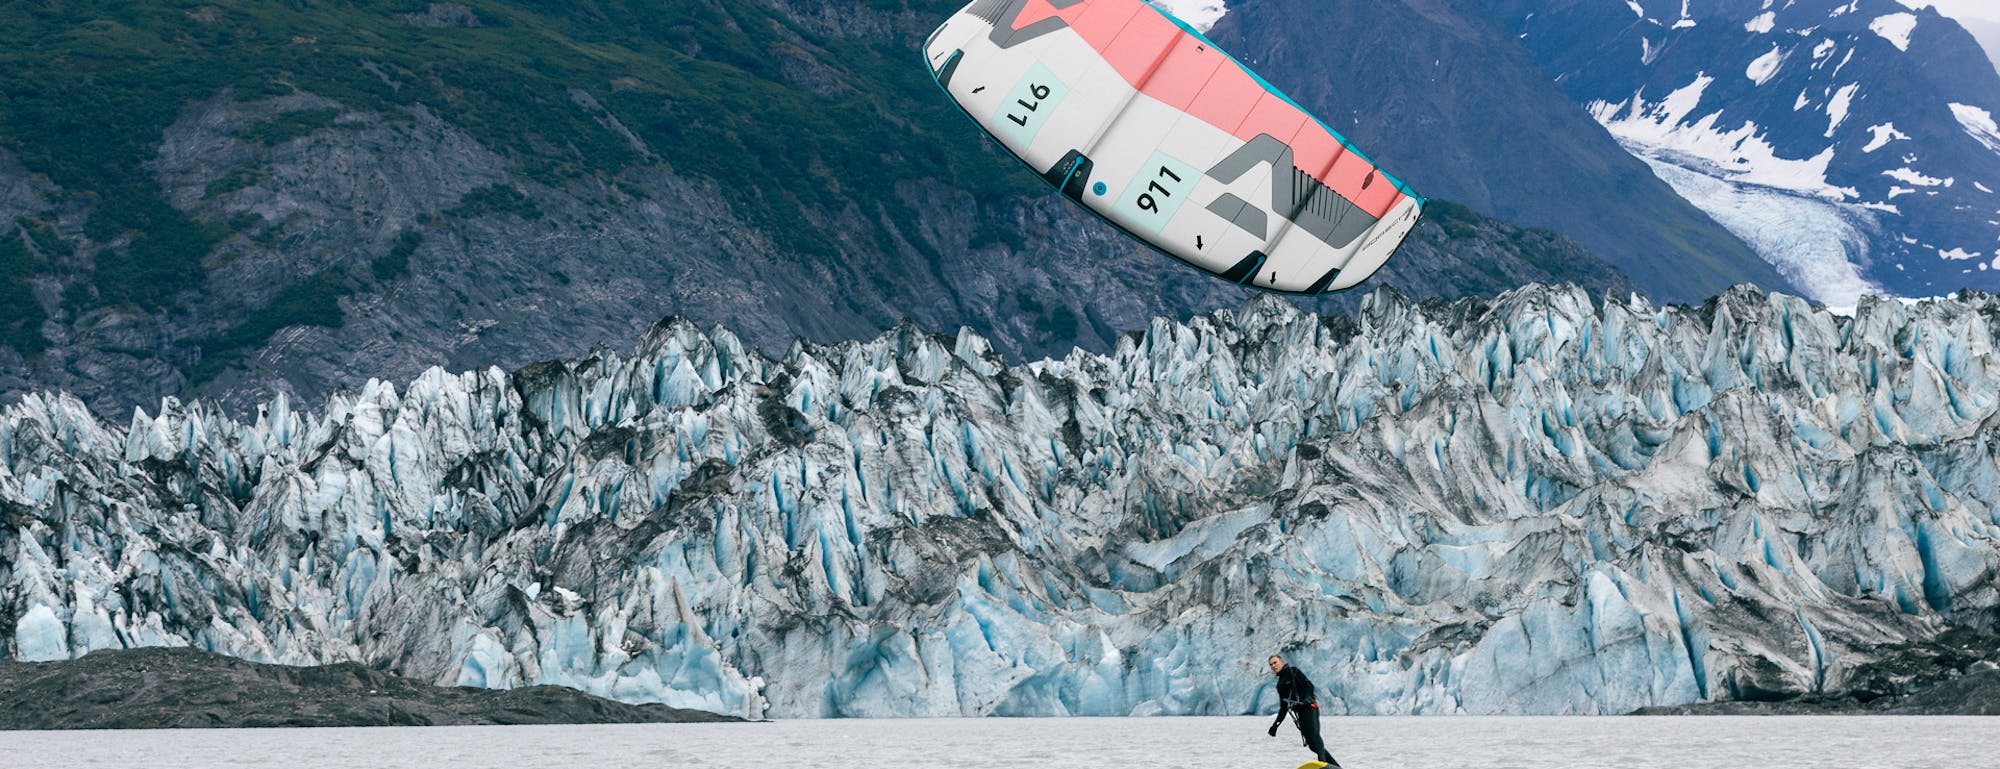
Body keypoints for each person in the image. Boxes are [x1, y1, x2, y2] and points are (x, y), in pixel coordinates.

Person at [1266, 654, 1339, 766]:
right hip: (1300, 713)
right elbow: (1284, 707)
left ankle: (1322, 762)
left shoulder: (1293, 672)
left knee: (1314, 735)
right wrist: (1275, 725)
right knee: (1312, 745)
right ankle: (1334, 766)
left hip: (1310, 707)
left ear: (1281, 661)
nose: (1273, 666)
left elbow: (1309, 686)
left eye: (1275, 662)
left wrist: (1307, 698)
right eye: (1271, 664)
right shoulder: (1280, 684)